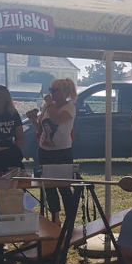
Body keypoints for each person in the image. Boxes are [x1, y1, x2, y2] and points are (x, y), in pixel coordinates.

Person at [25, 78, 77, 224]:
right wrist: (32, 119)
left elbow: (56, 120)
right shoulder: (47, 107)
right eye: (50, 90)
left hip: (62, 152)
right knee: (49, 187)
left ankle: (70, 220)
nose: (51, 93)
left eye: (55, 90)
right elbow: (40, 128)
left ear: (65, 92)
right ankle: (55, 218)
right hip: (45, 150)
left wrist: (49, 104)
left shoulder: (70, 107)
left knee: (64, 187)